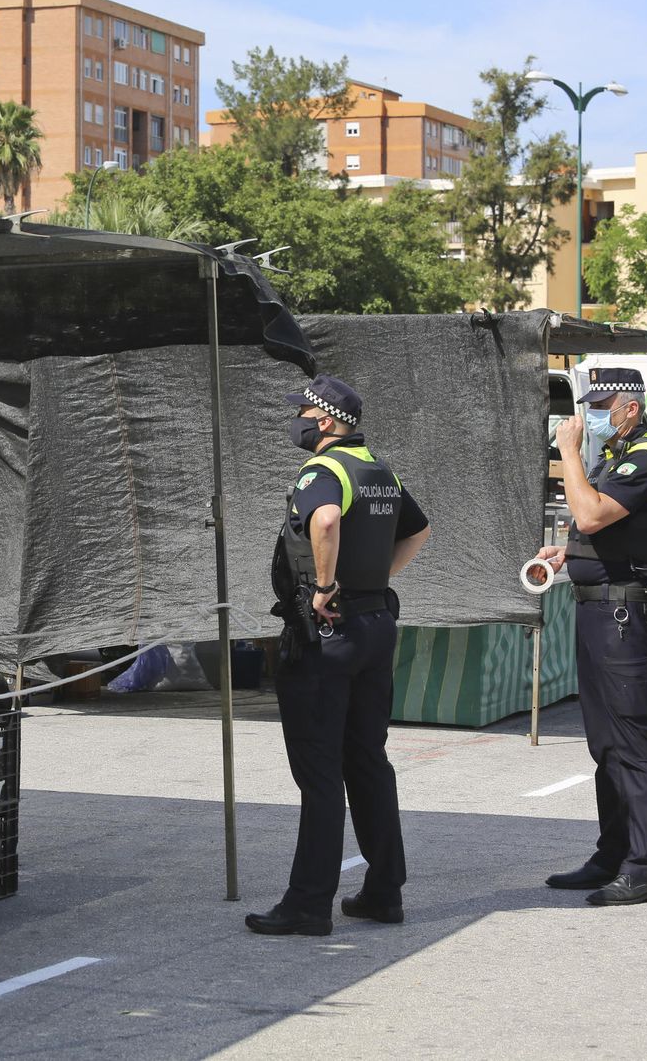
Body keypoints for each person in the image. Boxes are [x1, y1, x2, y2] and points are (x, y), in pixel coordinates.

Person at [247, 375, 431, 938]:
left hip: (328, 633)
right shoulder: (379, 469)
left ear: (325, 420)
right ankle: (384, 892)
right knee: (368, 761)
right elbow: (419, 530)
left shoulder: (323, 471)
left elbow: (324, 521)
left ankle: (307, 904)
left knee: (321, 774)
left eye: (303, 410)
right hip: (375, 623)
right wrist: (372, 582)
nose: (297, 419)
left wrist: (326, 586)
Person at [534, 367, 647, 906]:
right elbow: (604, 534)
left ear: (631, 409)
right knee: (604, 743)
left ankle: (642, 868)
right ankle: (611, 854)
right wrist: (568, 554)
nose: (592, 416)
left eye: (603, 406)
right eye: (590, 406)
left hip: (626, 616)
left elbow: (592, 514)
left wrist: (569, 452)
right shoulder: (617, 459)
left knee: (633, 742)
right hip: (598, 612)